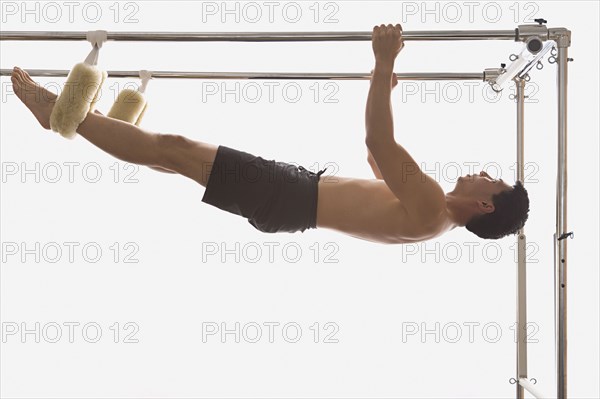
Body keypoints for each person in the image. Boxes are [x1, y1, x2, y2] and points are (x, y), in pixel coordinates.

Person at [10, 24, 529, 244]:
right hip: (290, 200)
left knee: (174, 148)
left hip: (289, 193)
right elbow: (378, 164)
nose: (483, 174)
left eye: (493, 181)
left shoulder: (436, 204)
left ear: (487, 206)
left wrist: (383, 58)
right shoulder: (428, 217)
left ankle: (59, 111)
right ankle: (81, 119)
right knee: (170, 159)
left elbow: (378, 143)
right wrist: (379, 84)